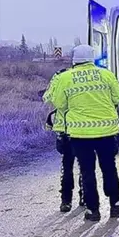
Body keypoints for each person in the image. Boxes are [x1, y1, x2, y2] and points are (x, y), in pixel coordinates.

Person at [50, 44, 119, 221]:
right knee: (109, 167)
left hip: (80, 134)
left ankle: (93, 210)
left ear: (74, 59)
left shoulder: (65, 78)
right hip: (106, 131)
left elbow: (59, 104)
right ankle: (115, 203)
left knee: (87, 171)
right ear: (92, 57)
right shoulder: (106, 74)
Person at [42, 68, 84, 212]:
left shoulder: (60, 79)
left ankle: (67, 200)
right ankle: (80, 197)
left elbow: (47, 98)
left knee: (68, 166)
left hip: (68, 130)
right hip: (80, 130)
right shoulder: (83, 79)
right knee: (82, 166)